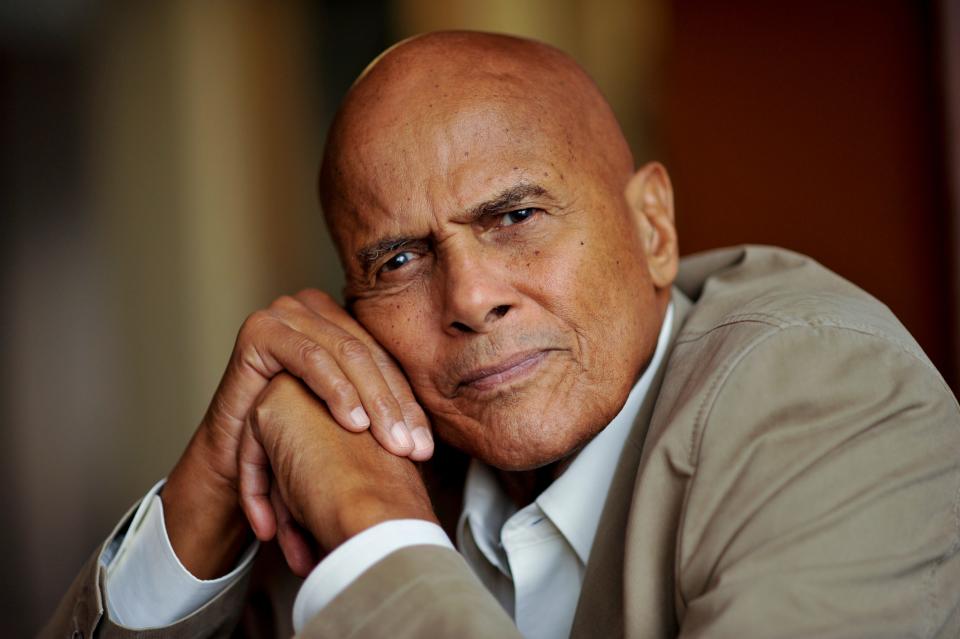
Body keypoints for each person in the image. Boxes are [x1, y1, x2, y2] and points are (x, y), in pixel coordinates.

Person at [44, 31, 960, 639]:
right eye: (397, 260)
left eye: (516, 214)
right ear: (353, 308)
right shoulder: (351, 437)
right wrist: (210, 481)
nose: (471, 297)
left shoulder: (831, 393)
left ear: (652, 228)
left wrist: (372, 526)